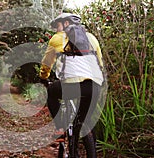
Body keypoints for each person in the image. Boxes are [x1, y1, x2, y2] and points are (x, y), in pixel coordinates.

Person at [39, 13, 104, 158]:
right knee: (82, 121)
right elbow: (100, 63)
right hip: (94, 87)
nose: (56, 29)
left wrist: (43, 77)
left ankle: (60, 128)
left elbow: (46, 64)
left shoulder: (57, 38)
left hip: (71, 86)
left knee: (51, 92)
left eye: (58, 25)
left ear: (66, 23)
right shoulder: (92, 38)